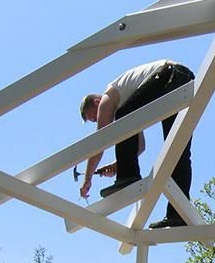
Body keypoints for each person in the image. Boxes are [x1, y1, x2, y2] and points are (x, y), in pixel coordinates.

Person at [79, 59, 195, 229]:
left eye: (95, 117)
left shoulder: (108, 97)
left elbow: (100, 140)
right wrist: (119, 164)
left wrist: (87, 179)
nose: (99, 120)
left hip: (169, 75)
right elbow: (139, 146)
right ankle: (178, 214)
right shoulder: (131, 105)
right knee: (176, 151)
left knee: (123, 114)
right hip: (183, 81)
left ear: (96, 103)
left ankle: (127, 177)